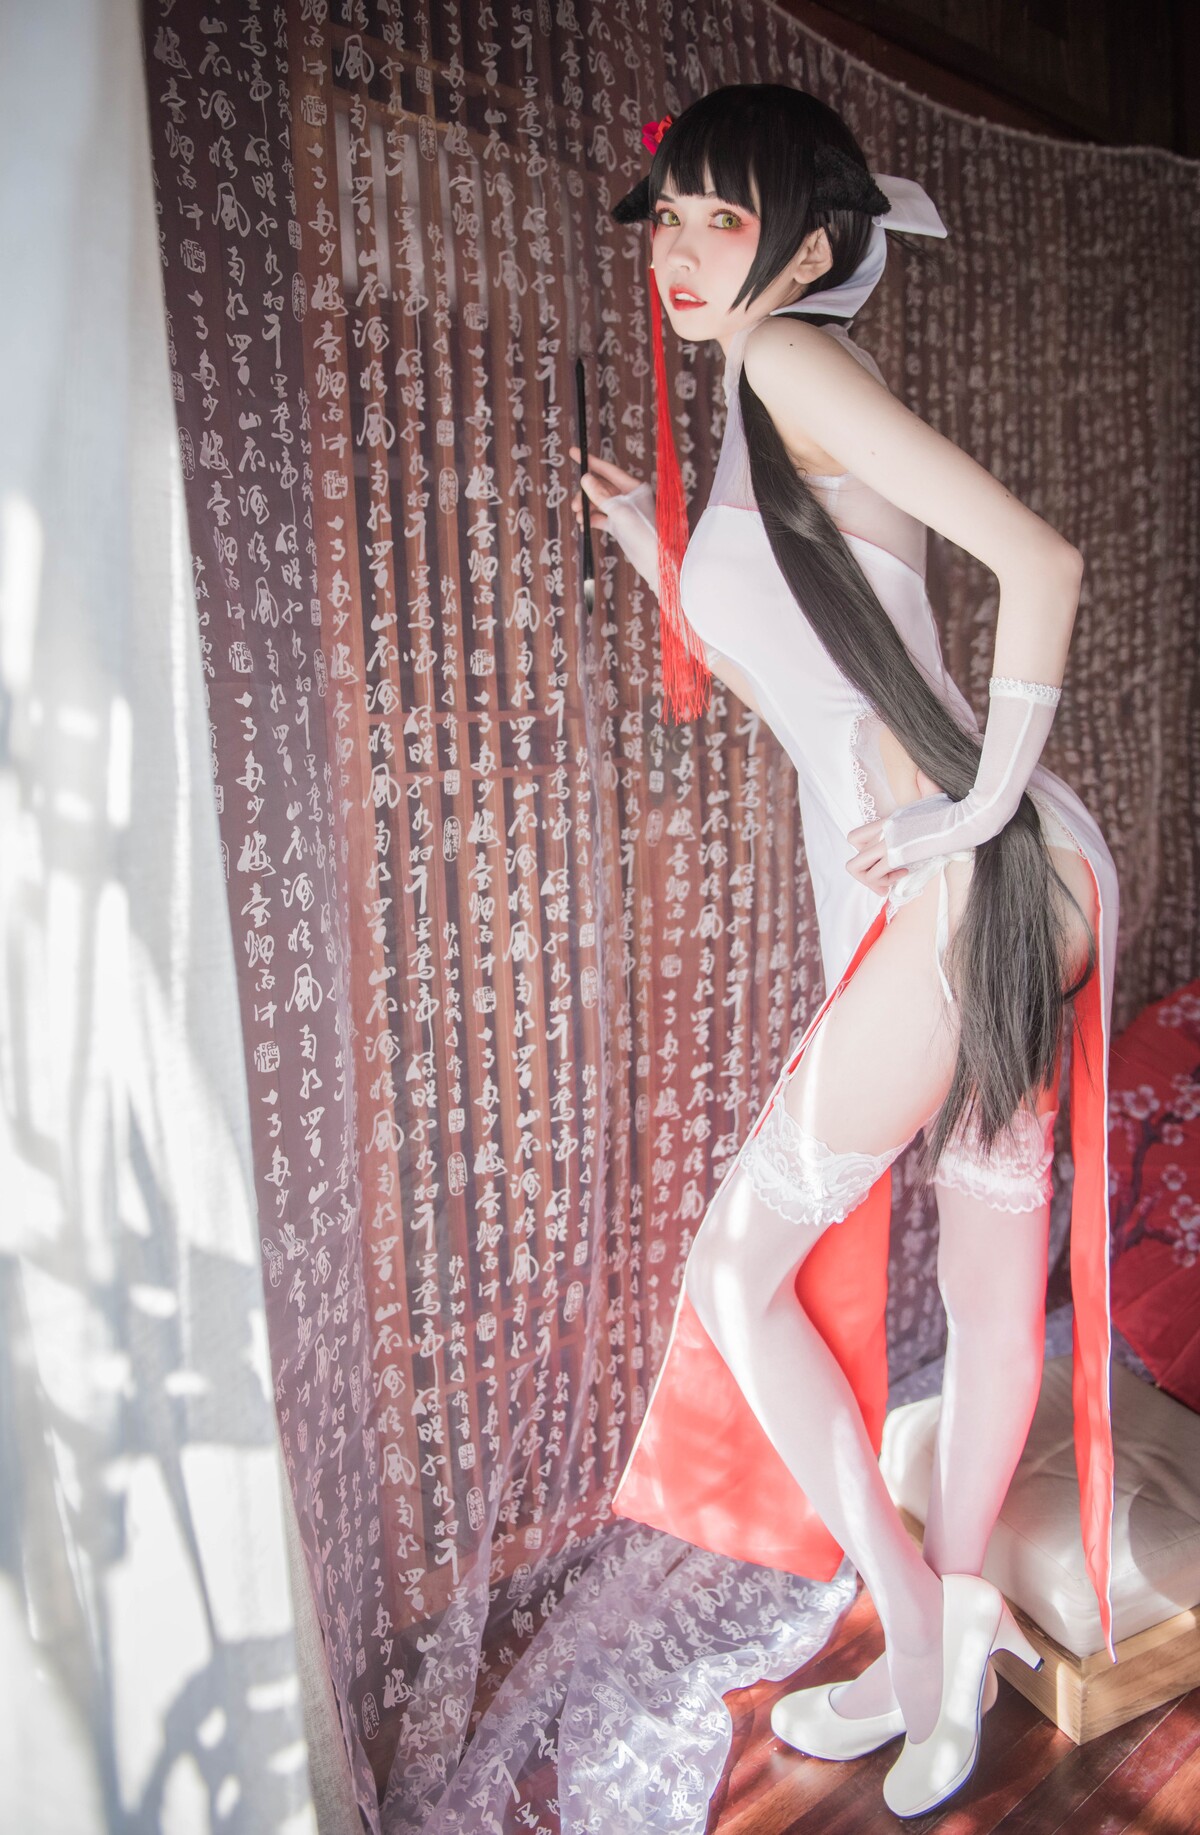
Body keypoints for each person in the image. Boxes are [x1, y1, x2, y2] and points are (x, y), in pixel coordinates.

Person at [569, 84, 1118, 1819]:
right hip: (1003, 877)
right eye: (666, 218)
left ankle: (920, 1631)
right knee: (984, 1280)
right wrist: (666, 563)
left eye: (718, 221)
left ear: (806, 253)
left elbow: (1040, 562)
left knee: (738, 1276)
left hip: (978, 873)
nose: (678, 253)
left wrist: (978, 812)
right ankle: (942, 1638)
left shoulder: (792, 361)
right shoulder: (764, 403)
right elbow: (814, 691)